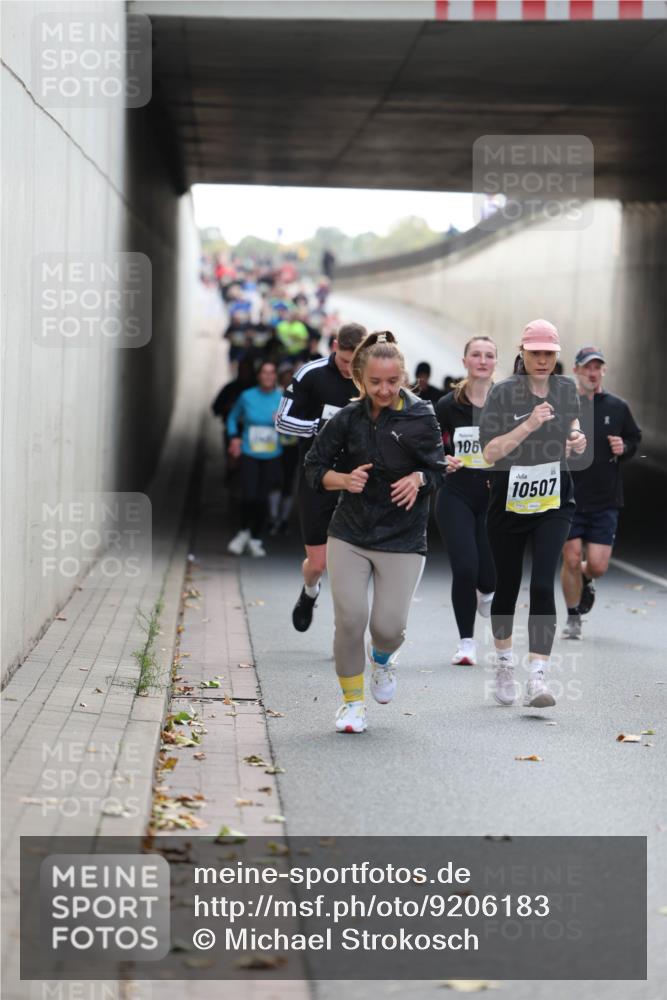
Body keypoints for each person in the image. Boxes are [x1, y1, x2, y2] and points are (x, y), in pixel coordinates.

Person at [304, 331, 446, 734]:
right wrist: (343, 480)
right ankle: (352, 705)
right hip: (350, 532)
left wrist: (419, 479)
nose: (384, 390)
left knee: (387, 628)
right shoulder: (348, 418)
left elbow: (438, 469)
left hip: (403, 536)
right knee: (350, 620)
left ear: (404, 377)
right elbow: (313, 467)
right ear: (360, 380)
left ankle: (382, 660)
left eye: (392, 381)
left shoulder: (421, 417)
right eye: (375, 382)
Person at [479, 319, 586, 709]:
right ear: (522, 353)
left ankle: (538, 677)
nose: (542, 360)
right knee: (507, 586)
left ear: (556, 356)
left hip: (552, 501)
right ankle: (504, 664)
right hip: (508, 502)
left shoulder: (566, 389)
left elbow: (571, 421)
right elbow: (490, 452)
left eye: (549, 353)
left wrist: (575, 436)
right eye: (535, 352)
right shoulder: (503, 393)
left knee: (542, 584)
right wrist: (528, 424)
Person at [275, 323, 367, 630]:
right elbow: (282, 420)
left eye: (355, 362)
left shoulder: (370, 378)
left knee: (351, 564)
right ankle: (310, 591)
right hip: (316, 477)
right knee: (318, 564)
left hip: (356, 480)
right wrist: (319, 427)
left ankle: (347, 631)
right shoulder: (311, 374)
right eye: (344, 361)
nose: (349, 369)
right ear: (335, 346)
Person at [561, 346, 642, 639]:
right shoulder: (565, 405)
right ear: (576, 370)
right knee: (571, 559)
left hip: (605, 499)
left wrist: (625, 447)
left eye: (598, 368)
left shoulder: (618, 407)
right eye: (587, 367)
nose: (593, 373)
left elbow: (634, 439)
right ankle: (573, 617)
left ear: (603, 371)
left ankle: (585, 577)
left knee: (597, 565)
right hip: (568, 497)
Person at [435, 337, 498, 666]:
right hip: (456, 493)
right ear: (465, 362)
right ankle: (466, 644)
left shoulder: (507, 403)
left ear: (495, 362)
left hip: (493, 497)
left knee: (489, 578)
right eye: (476, 355)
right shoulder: (447, 405)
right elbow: (430, 445)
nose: (482, 361)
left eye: (489, 356)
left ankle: (487, 592)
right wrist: (442, 459)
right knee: (465, 568)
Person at [226, 361, 284, 558]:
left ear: (275, 376)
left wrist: (282, 422)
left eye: (271, 372)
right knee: (248, 496)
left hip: (272, 455)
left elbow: (293, 428)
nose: (268, 376)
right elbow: (232, 418)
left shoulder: (282, 398)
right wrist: (234, 437)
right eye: (264, 372)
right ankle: (243, 531)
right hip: (250, 453)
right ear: (258, 375)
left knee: (262, 499)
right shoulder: (247, 396)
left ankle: (256, 538)